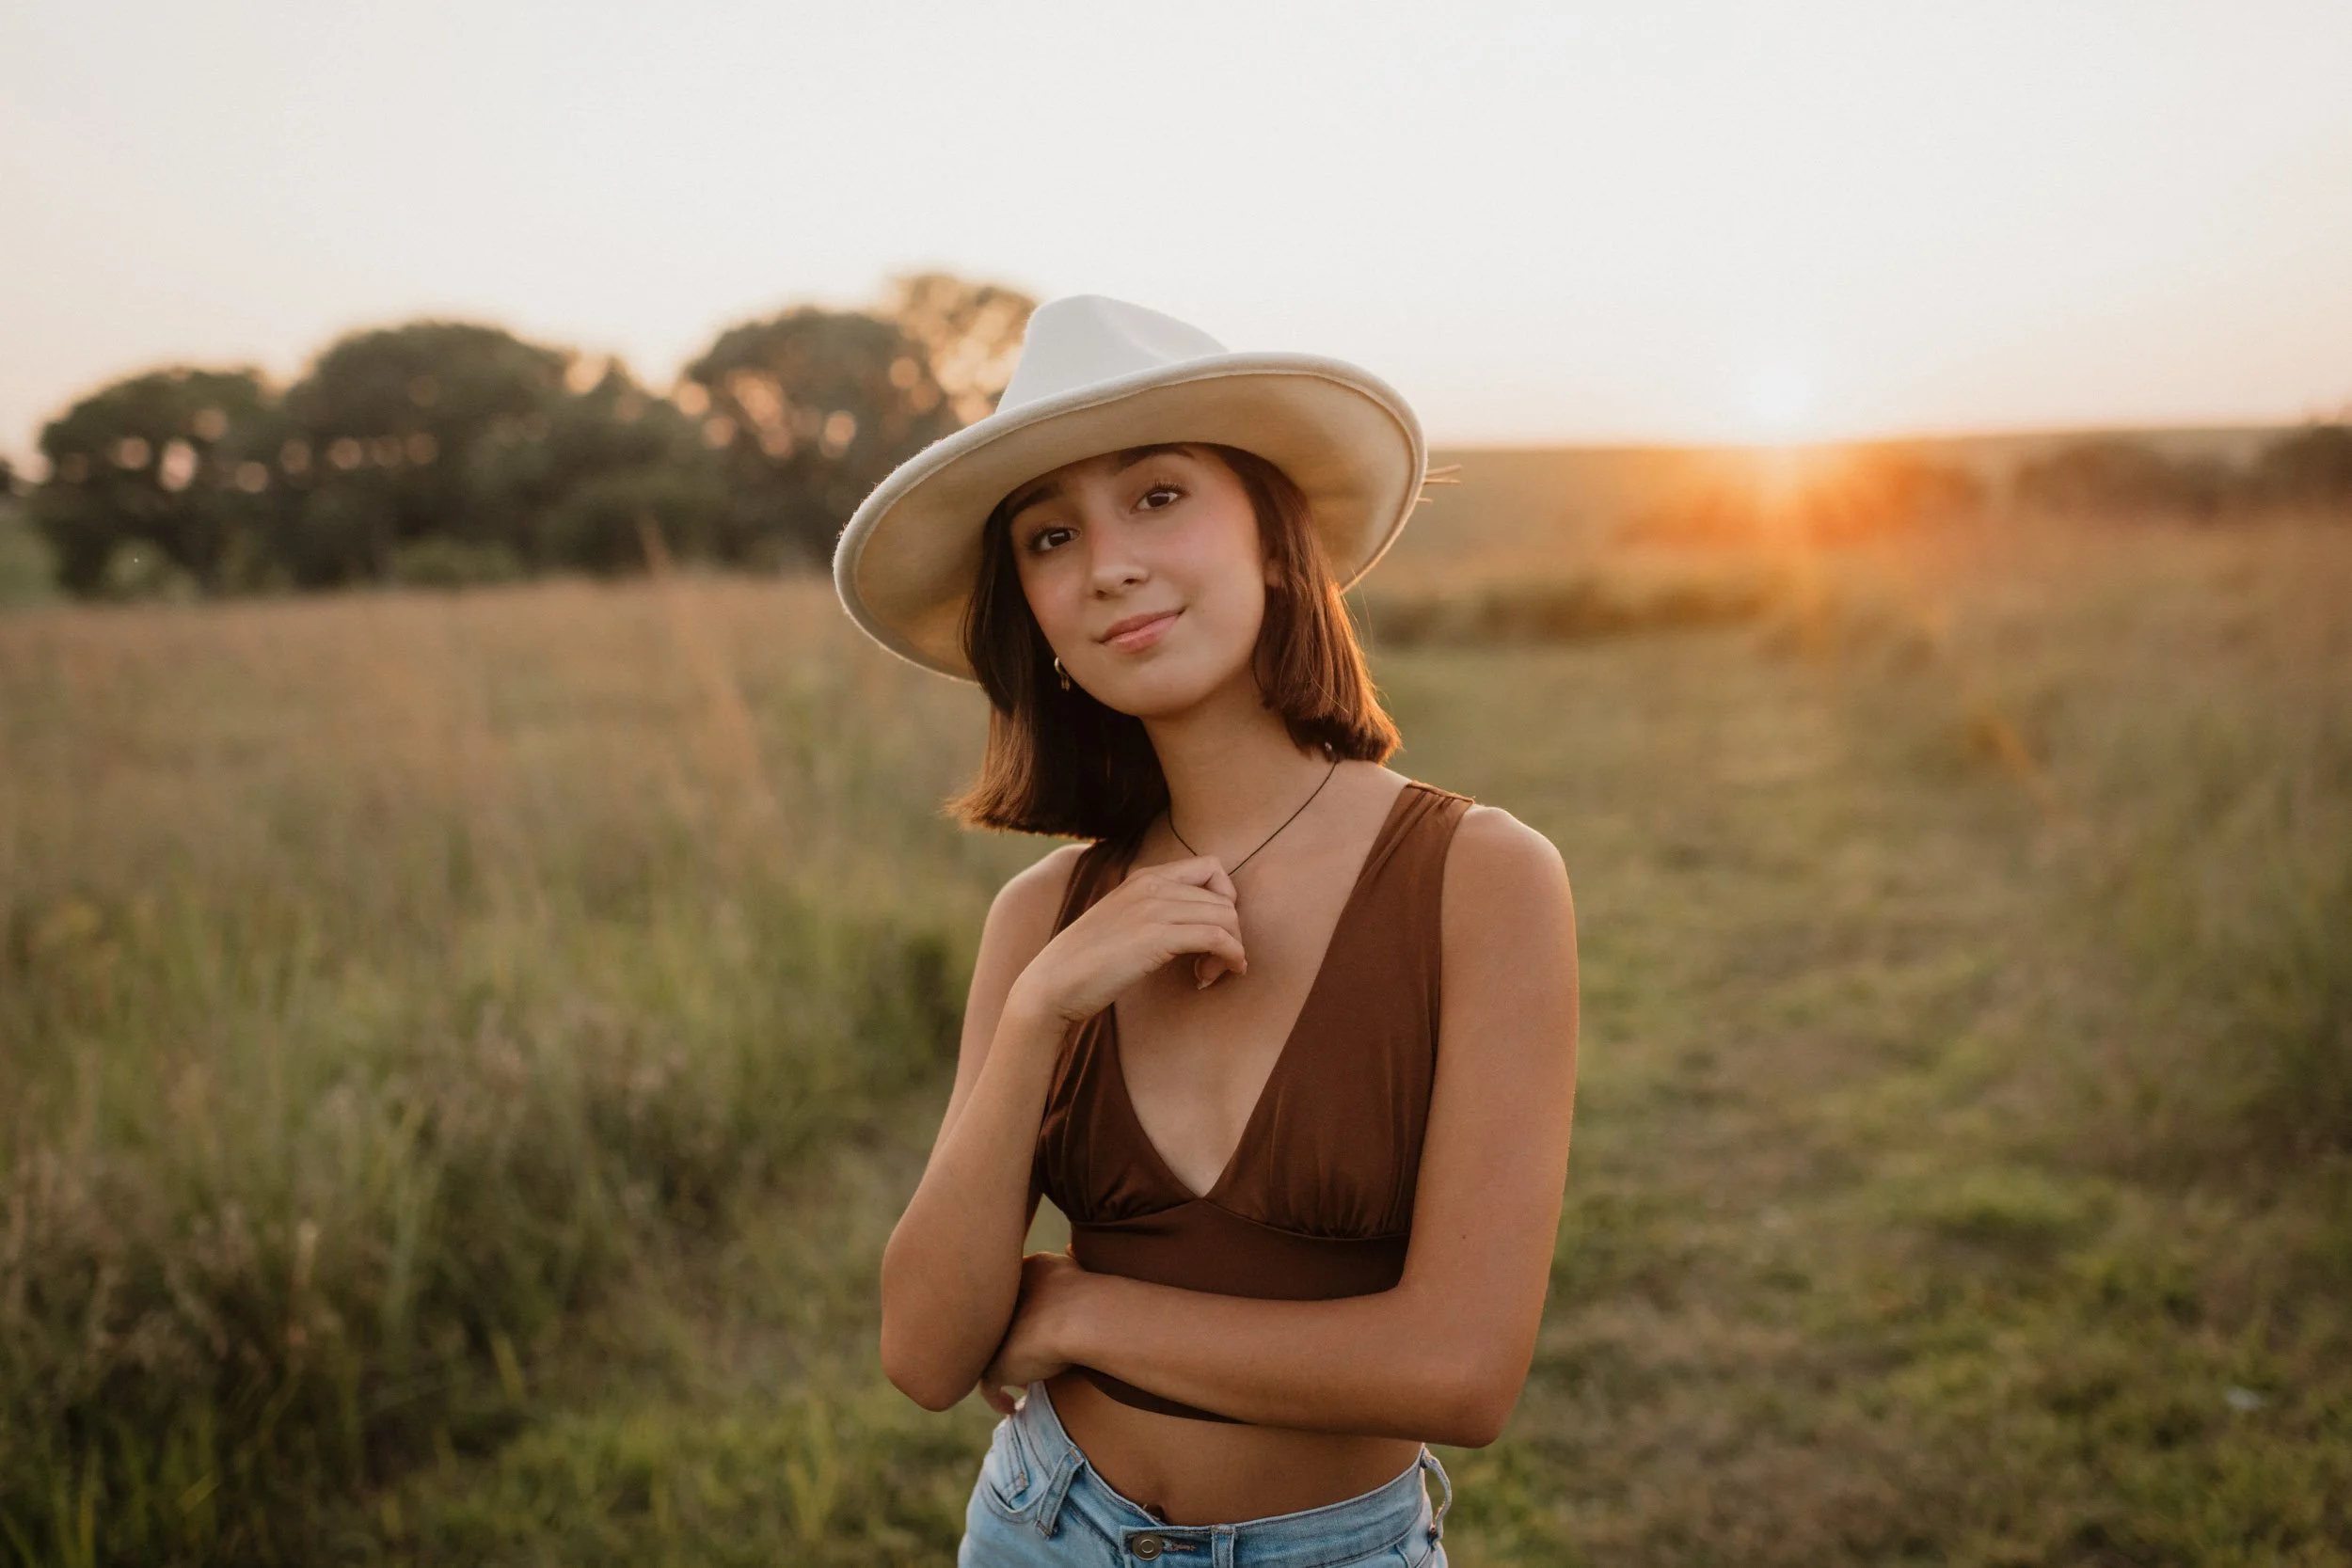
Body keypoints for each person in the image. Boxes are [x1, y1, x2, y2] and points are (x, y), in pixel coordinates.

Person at [837, 296, 1580, 1566]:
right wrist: (1037, 1014)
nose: (1107, 562)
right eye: (1050, 534)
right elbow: (923, 1351)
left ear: (1277, 540)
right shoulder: (1042, 920)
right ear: (1038, 619)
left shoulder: (1480, 878)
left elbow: (1460, 1371)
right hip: (1039, 1530)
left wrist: (1082, 1306)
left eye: (1160, 496)